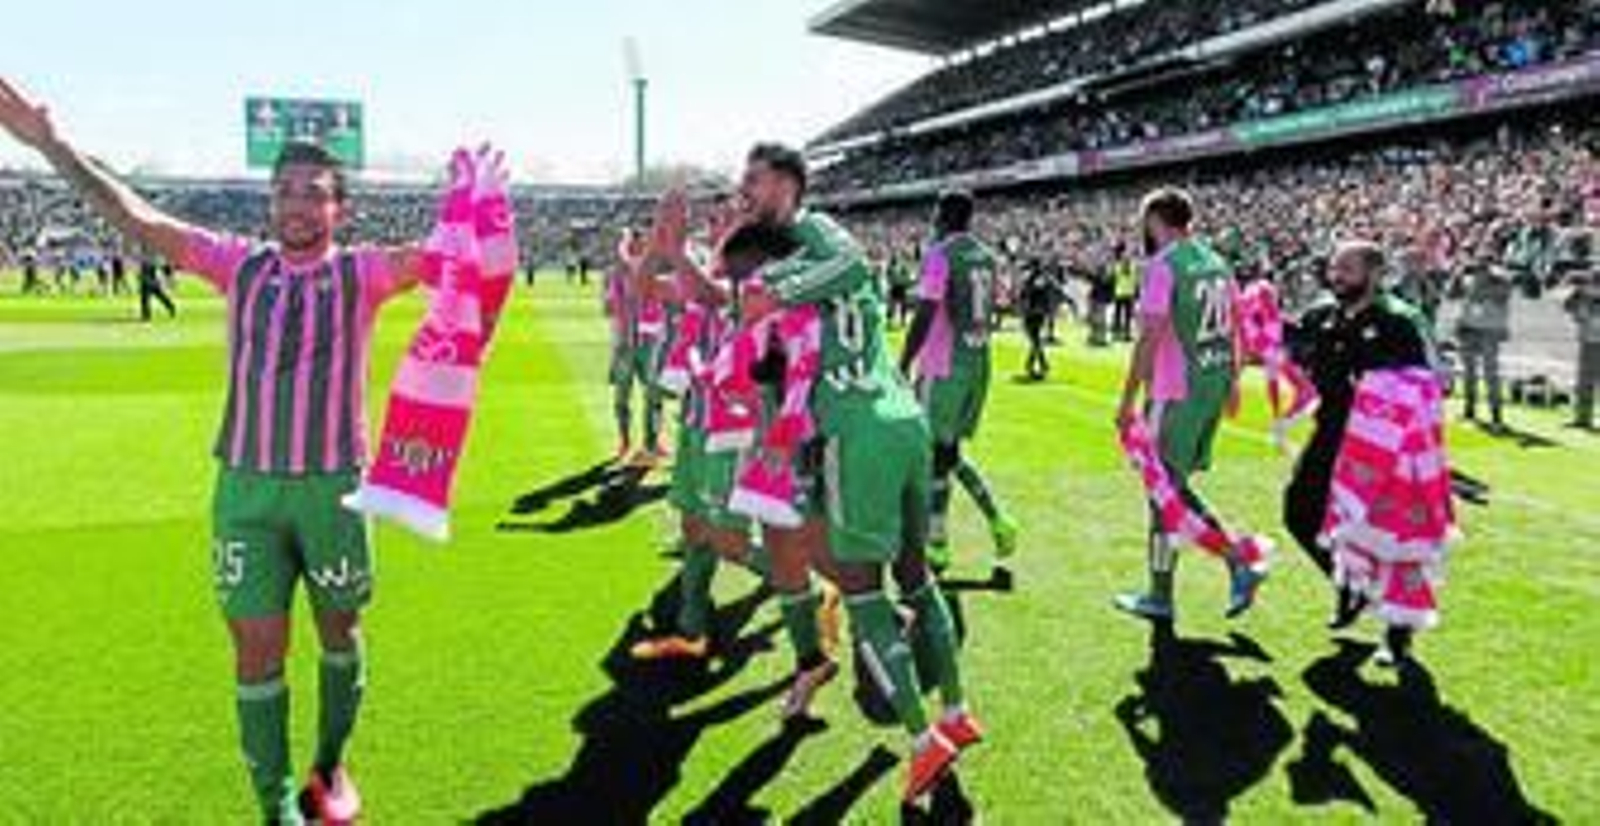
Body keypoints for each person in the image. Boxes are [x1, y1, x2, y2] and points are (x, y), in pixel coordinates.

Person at [0, 77, 433, 824]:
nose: (296, 203)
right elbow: (134, 215)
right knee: (255, 651)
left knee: (340, 631)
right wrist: (51, 145)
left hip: (333, 488)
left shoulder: (365, 273)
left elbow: (455, 258)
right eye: (285, 190)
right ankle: (276, 808)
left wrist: (477, 216)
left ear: (340, 208)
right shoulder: (238, 264)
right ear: (272, 204)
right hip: (247, 495)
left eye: (313, 192)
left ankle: (329, 766)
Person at [664, 143, 980, 802]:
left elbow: (809, 282)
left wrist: (759, 294)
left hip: (857, 431)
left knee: (864, 590)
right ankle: (956, 711)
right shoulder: (808, 270)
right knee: (918, 578)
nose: (744, 190)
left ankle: (924, 743)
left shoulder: (809, 239)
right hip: (903, 416)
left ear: (786, 182)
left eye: (752, 179)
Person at [1113, 187, 1265, 622]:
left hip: (1176, 390)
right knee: (1167, 488)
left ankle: (1234, 559)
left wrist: (1127, 402)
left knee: (1162, 489)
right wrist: (1233, 380)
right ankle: (1164, 592)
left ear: (1156, 220)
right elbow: (1236, 324)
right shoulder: (1214, 261)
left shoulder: (1164, 266)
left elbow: (1150, 338)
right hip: (1210, 383)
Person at [1283, 241, 1433, 635]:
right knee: (1298, 511)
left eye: (1347, 269)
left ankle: (1399, 631)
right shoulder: (1320, 315)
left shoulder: (1398, 321)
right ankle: (1351, 585)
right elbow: (1294, 351)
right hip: (1331, 431)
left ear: (1375, 274)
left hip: (1381, 445)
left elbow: (1420, 384)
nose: (1336, 277)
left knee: (1387, 534)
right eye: (1334, 268)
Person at [900, 190, 1020, 581]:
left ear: (942, 216)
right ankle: (997, 520)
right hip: (977, 362)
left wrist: (904, 361)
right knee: (947, 451)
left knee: (934, 454)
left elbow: (927, 310)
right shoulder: (985, 255)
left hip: (943, 366)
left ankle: (936, 544)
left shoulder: (940, 255)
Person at [603, 229, 669, 464]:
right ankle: (624, 440)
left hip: (649, 342)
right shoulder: (615, 274)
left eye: (641, 244)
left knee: (654, 394)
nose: (638, 248)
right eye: (634, 244)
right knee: (622, 396)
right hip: (625, 343)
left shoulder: (652, 271)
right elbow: (609, 308)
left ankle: (652, 442)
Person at [1452, 245, 1514, 429]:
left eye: (1485, 263)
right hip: (1468, 328)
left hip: (1490, 331)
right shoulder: (1467, 278)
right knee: (1469, 373)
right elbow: (1451, 294)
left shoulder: (1502, 281)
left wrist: (1478, 280)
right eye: (1479, 262)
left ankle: (1496, 415)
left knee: (1490, 374)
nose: (1481, 267)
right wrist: (1457, 275)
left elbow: (1486, 296)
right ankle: (1469, 410)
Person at [1565, 271, 1600, 430]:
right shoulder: (1582, 296)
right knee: (1584, 383)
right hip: (1588, 341)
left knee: (1588, 382)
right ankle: (1582, 418)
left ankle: (1582, 418)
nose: (1590, 285)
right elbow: (1568, 307)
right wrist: (1578, 294)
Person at [1018, 259, 1053, 380]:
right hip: (1035, 311)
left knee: (1034, 338)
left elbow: (1034, 293)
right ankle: (1036, 363)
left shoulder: (1038, 279)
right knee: (1034, 339)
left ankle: (1039, 364)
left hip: (1035, 312)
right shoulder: (1037, 278)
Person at [1111, 242, 1139, 342]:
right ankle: (1119, 333)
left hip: (1125, 293)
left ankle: (1124, 333)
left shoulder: (1130, 266)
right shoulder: (1120, 266)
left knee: (1125, 315)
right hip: (1122, 292)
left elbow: (1135, 279)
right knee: (1120, 315)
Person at [137, 253, 177, 321]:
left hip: (149, 283)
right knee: (152, 299)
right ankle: (170, 307)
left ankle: (146, 316)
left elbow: (165, 268)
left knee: (147, 300)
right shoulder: (153, 260)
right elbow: (166, 269)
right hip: (151, 283)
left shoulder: (151, 260)